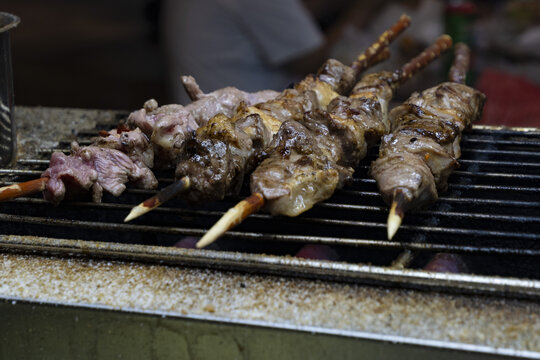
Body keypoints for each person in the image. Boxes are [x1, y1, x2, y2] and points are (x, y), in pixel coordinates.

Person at [160, 0, 377, 104]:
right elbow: (314, 59)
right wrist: (365, 8)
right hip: (242, 128)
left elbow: (294, 11)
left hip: (204, 115)